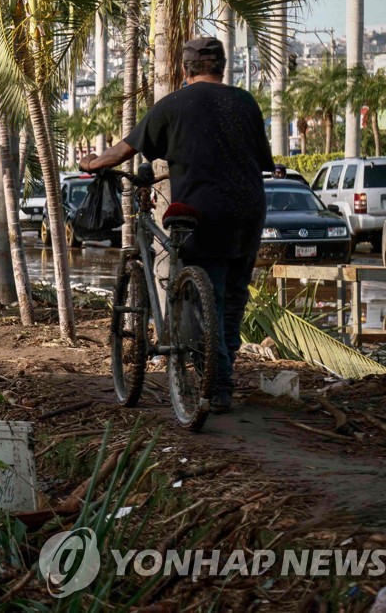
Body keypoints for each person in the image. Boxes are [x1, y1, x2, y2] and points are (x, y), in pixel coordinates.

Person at [78, 36, 274, 413]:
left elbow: (124, 150)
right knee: (233, 298)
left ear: (186, 69)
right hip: (250, 211)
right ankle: (224, 377)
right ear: (222, 67)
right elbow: (263, 161)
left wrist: (91, 164)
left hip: (202, 213)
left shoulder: (173, 104)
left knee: (209, 300)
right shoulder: (245, 103)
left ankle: (214, 386)